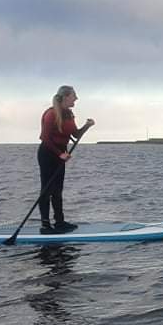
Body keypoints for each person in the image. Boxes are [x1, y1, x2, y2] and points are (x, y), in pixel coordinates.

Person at [38, 86, 95, 234]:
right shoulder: (51, 114)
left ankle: (60, 222)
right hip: (48, 153)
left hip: (60, 154)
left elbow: (76, 135)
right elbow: (44, 138)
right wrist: (59, 154)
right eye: (73, 96)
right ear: (65, 97)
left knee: (57, 191)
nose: (76, 99)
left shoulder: (69, 114)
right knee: (47, 190)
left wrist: (87, 126)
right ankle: (45, 226)